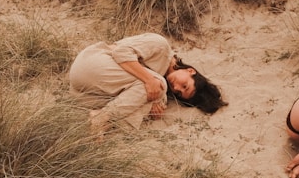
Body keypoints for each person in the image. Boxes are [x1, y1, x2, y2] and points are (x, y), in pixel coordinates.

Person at [68, 32, 225, 138]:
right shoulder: (161, 46)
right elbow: (121, 52)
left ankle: (104, 129)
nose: (177, 88)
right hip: (92, 62)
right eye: (185, 86)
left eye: (179, 93)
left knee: (151, 97)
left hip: (83, 92)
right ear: (191, 71)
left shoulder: (158, 83)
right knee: (158, 85)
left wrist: (153, 103)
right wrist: (150, 82)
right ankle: (102, 118)